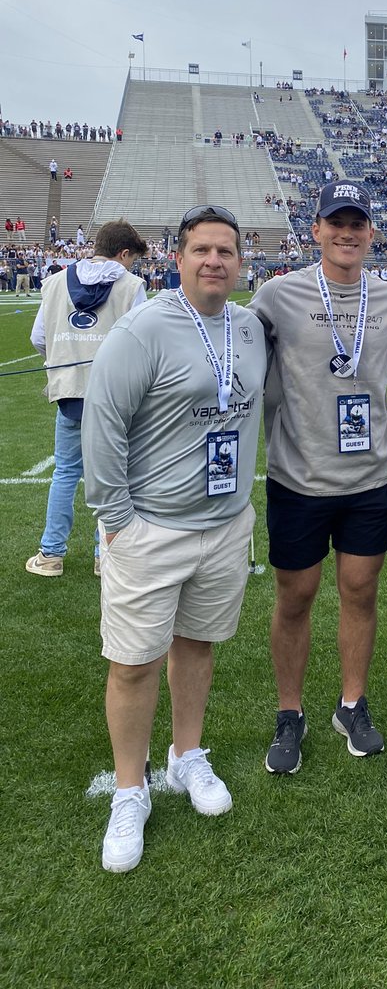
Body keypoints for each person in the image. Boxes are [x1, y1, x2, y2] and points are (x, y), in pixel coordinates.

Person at [83, 205, 266, 873]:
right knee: (132, 663)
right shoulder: (144, 329)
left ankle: (187, 755)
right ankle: (130, 790)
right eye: (202, 250)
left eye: (226, 250)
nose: (215, 261)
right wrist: (118, 521)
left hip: (223, 525)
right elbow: (102, 425)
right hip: (151, 527)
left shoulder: (247, 327)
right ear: (178, 258)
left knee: (197, 646)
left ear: (241, 261)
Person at [248, 181, 387, 773]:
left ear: (370, 232)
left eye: (357, 223)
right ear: (315, 230)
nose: (347, 233)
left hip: (369, 478)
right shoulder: (277, 295)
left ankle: (351, 702)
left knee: (360, 592)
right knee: (296, 596)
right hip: (299, 477)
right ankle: (290, 711)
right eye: (335, 222)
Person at [26, 220, 148, 579]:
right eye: (132, 260)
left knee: (64, 473)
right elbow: (142, 343)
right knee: (115, 478)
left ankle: (51, 554)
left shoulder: (56, 282)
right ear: (123, 253)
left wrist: (66, 357)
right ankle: (104, 556)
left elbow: (38, 338)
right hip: (115, 399)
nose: (133, 267)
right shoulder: (131, 286)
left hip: (70, 394)